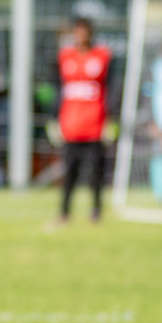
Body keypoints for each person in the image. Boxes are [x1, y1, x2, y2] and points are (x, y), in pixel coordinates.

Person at [55, 17, 112, 223]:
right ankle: (64, 212)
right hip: (71, 124)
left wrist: (110, 118)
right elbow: (57, 90)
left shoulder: (102, 56)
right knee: (70, 170)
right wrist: (55, 119)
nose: (81, 36)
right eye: (77, 32)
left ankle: (96, 211)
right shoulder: (64, 57)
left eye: (84, 31)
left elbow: (111, 88)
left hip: (95, 124)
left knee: (96, 170)